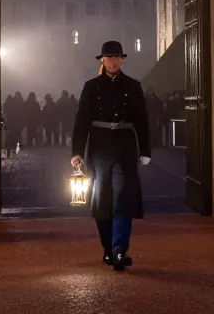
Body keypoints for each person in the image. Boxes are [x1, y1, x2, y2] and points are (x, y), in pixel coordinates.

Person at [70, 40, 152, 271]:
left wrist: (145, 150)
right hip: (99, 148)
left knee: (123, 199)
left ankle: (118, 250)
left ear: (122, 59)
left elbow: (142, 120)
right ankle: (108, 247)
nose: (113, 61)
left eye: (117, 57)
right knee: (102, 200)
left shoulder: (133, 86)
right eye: (109, 57)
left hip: (125, 146)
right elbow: (81, 121)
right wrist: (76, 151)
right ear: (102, 60)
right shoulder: (91, 86)